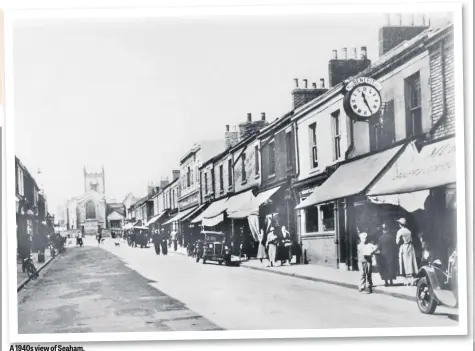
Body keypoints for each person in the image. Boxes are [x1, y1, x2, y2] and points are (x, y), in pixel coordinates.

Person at [396, 217, 418, 285]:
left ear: (400, 224)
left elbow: (397, 242)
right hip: (410, 246)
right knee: (410, 261)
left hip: (404, 246)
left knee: (404, 261)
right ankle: (411, 278)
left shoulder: (400, 231)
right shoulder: (409, 231)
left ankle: (406, 279)